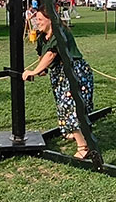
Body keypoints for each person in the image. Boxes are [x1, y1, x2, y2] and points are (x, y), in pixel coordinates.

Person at [22, 10, 95, 159]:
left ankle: (84, 146)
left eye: (41, 19)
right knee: (63, 105)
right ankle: (74, 132)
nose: (37, 22)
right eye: (36, 19)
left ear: (50, 19)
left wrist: (34, 72)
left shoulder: (59, 32)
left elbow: (51, 54)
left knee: (70, 106)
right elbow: (43, 57)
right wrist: (40, 70)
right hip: (59, 74)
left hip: (74, 71)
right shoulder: (42, 37)